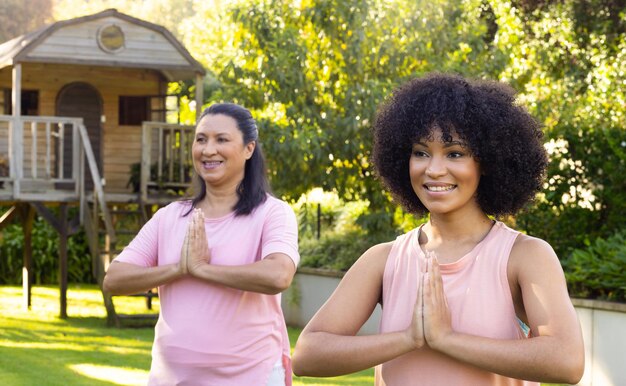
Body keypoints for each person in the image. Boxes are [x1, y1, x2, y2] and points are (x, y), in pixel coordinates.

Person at [292, 73, 584, 385]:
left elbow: (566, 361)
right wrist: (408, 338)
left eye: (455, 153)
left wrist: (446, 338)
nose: (433, 169)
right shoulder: (383, 259)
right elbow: (308, 355)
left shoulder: (524, 256)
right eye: (420, 152)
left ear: (485, 162)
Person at [103, 103, 300, 386]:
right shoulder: (170, 216)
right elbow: (114, 279)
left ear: (248, 149)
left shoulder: (272, 212)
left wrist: (202, 268)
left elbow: (278, 275)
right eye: (201, 139)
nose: (208, 150)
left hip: (251, 377)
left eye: (222, 140)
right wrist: (178, 269)